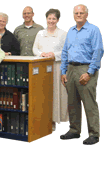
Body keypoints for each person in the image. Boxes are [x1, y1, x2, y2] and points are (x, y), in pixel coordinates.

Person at [60, 4, 103, 145]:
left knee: (89, 102)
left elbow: (98, 52)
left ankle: (94, 134)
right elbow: (65, 51)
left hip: (86, 68)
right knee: (72, 102)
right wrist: (63, 71)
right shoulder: (71, 31)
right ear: (73, 15)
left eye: (81, 13)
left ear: (86, 15)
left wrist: (90, 73)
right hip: (71, 69)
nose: (78, 15)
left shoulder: (93, 30)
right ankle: (74, 130)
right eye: (76, 13)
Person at [33, 9, 68, 130]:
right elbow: (35, 49)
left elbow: (66, 51)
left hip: (56, 66)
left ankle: (54, 120)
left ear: (58, 20)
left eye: (54, 19)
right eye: (49, 18)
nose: (51, 21)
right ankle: (44, 120)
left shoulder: (63, 34)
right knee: (43, 93)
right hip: (41, 67)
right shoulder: (40, 33)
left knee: (55, 93)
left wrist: (53, 54)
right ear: (46, 19)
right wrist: (42, 54)